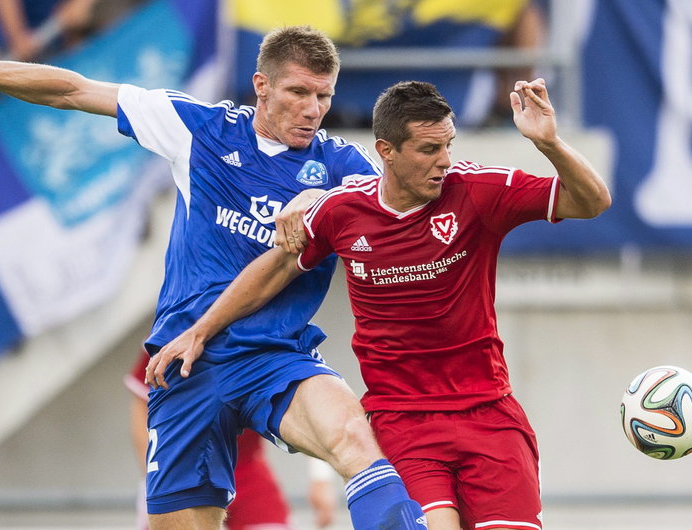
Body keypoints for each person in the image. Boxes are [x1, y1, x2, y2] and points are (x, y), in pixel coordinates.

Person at [0, 25, 427, 529]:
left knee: (356, 438)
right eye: (297, 93)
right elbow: (70, 89)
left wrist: (324, 197)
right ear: (261, 84)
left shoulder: (343, 167)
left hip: (273, 355)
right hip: (185, 364)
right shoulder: (200, 129)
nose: (313, 110)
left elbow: (417, 204)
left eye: (323, 97)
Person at [149, 79, 611, 530]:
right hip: (404, 424)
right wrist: (200, 330)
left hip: (489, 417)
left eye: (448, 145)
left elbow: (592, 202)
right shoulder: (343, 211)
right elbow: (274, 270)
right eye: (429, 150)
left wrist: (550, 143)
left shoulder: (478, 190)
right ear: (386, 151)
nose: (445, 161)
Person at [125, 349, 338, 530]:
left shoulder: (276, 326)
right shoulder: (176, 323)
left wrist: (320, 477)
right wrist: (154, 473)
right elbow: (142, 402)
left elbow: (308, 402)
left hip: (245, 469)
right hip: (182, 466)